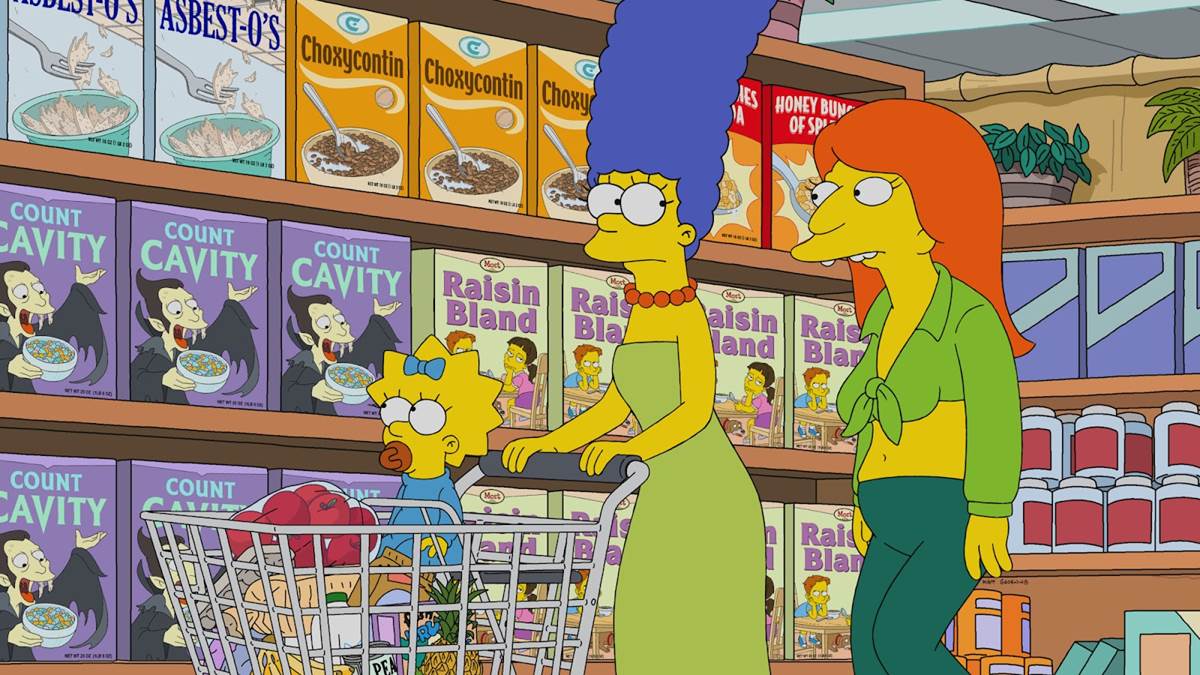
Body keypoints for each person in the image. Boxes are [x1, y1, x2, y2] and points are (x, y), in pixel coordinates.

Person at [501, 2, 776, 673]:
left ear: (683, 227)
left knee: (698, 635)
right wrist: (555, 442)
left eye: (640, 202)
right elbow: (618, 402)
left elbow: (693, 411)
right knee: (646, 622)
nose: (613, 215)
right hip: (656, 480)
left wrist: (629, 448)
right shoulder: (642, 309)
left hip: (704, 491)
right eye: (607, 197)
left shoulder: (685, 314)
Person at [789, 98, 1029, 675]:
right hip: (885, 506)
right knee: (869, 652)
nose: (834, 206)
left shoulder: (968, 316)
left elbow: (997, 415)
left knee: (902, 640)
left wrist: (991, 509)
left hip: (947, 509)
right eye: (834, 190)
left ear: (935, 204)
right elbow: (873, 414)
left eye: (868, 191)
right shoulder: (880, 317)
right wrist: (861, 495)